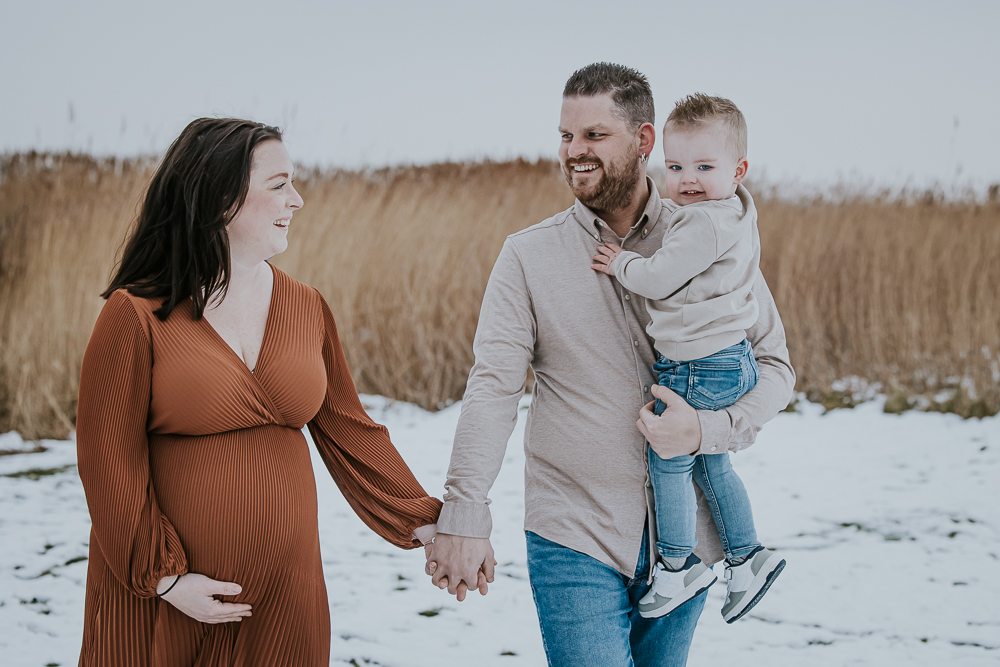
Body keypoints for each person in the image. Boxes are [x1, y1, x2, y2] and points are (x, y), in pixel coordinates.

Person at [424, 63, 795, 666]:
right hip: (574, 532)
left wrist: (705, 431)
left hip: (689, 549)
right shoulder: (527, 256)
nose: (575, 152)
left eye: (594, 135)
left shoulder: (713, 235)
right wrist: (465, 512)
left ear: (644, 141)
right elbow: (493, 388)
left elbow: (775, 367)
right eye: (566, 136)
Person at [75, 117, 441, 666]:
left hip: (284, 603)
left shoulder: (306, 306)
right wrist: (165, 580)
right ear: (221, 198)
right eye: (279, 184)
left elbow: (349, 429)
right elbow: (107, 458)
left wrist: (426, 522)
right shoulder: (136, 314)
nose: (297, 199)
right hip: (171, 601)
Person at [591, 93, 785, 624]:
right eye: (675, 167)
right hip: (724, 360)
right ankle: (747, 557)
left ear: (738, 169)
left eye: (704, 166)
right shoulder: (733, 211)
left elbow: (659, 278)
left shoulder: (703, 224)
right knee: (713, 463)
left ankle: (678, 565)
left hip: (700, 365)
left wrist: (623, 263)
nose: (687, 179)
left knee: (669, 459)